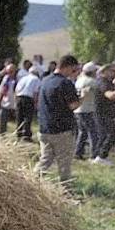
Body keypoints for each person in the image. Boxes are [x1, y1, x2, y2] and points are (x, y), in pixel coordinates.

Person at [36, 55, 82, 184]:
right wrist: (83, 98)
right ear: (68, 67)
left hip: (45, 128)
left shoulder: (45, 80)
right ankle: (65, 188)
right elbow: (73, 105)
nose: (74, 73)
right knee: (64, 162)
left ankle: (31, 181)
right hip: (62, 130)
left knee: (45, 160)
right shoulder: (65, 83)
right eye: (74, 70)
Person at [73, 62, 105, 163]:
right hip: (87, 109)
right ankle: (94, 155)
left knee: (82, 132)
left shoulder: (79, 80)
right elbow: (100, 87)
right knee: (93, 133)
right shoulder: (91, 81)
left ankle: (78, 152)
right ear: (93, 72)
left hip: (78, 109)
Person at [14, 67, 41, 142]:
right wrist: (36, 103)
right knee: (28, 117)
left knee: (19, 117)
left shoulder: (23, 78)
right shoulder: (36, 79)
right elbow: (36, 92)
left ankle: (19, 133)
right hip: (28, 99)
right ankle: (26, 135)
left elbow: (16, 89)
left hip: (19, 97)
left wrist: (16, 100)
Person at [0, 64, 19, 135]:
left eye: (11, 71)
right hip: (5, 102)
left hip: (15, 103)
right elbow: (1, 90)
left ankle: (19, 134)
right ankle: (1, 134)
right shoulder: (6, 79)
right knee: (2, 120)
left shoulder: (18, 79)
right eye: (8, 72)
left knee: (18, 120)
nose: (9, 73)